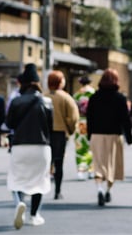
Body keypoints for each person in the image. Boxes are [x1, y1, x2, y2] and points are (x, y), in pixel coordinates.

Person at [7, 63, 53, 229]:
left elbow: (9, 123)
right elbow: (51, 127)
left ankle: (20, 203)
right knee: (39, 181)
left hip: (19, 145)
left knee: (17, 179)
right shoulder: (47, 102)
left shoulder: (17, 101)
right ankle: (34, 215)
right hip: (41, 147)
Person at [86, 69, 132, 207]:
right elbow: (125, 120)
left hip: (96, 134)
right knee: (112, 165)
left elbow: (90, 118)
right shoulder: (120, 98)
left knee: (99, 165)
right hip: (114, 135)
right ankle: (107, 190)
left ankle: (99, 188)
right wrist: (129, 137)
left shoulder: (94, 97)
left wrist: (89, 135)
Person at [44, 70, 79, 200]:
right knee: (59, 163)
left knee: (46, 162)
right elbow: (73, 117)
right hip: (59, 133)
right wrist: (69, 130)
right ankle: (57, 191)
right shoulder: (65, 97)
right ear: (60, 82)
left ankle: (40, 189)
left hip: (45, 133)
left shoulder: (44, 96)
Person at [73, 76, 95, 180]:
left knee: (80, 147)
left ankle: (81, 170)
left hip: (80, 122)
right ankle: (91, 169)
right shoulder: (93, 93)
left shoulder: (77, 95)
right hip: (92, 122)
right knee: (92, 146)